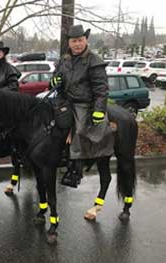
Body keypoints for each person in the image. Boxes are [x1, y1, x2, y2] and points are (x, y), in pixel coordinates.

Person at [49, 25, 113, 188]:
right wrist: (53, 82)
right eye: (74, 41)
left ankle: (76, 169)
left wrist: (99, 110)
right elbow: (55, 78)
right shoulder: (64, 60)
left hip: (85, 105)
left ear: (86, 40)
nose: (77, 44)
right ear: (69, 43)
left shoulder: (94, 61)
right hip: (64, 102)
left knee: (78, 131)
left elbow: (101, 89)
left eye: (80, 40)